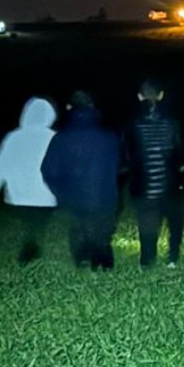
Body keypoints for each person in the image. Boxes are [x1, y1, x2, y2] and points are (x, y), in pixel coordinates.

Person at [40, 90, 120, 270]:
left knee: (79, 229)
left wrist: (62, 193)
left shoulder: (61, 138)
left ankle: (83, 261)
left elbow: (48, 170)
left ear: (69, 108)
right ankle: (104, 264)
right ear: (93, 107)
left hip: (74, 197)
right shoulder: (109, 136)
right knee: (102, 232)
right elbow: (118, 164)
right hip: (105, 195)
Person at [0, 97, 58, 265]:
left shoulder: (13, 138)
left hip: (18, 196)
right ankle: (31, 247)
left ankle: (30, 247)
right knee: (37, 223)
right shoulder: (53, 137)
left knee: (29, 223)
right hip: (45, 196)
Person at [123, 79, 184, 269]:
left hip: (143, 184)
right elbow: (183, 152)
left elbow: (126, 153)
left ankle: (147, 261)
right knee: (175, 222)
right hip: (170, 183)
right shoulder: (173, 121)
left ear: (139, 96)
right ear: (161, 95)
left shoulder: (132, 122)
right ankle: (172, 258)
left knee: (147, 223)